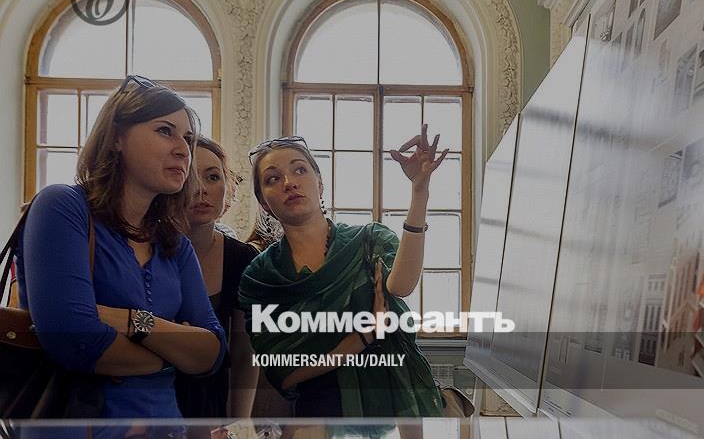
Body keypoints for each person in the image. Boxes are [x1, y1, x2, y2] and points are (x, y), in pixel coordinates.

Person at [15, 74, 226, 419]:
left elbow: (212, 354)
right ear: (116, 138)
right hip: (81, 425)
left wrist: (131, 321)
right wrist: (175, 353)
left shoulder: (175, 243)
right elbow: (75, 340)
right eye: (165, 131)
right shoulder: (62, 206)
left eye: (188, 138)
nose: (183, 149)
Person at [239, 126, 450, 417]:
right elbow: (283, 374)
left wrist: (419, 192)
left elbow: (401, 286)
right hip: (319, 412)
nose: (289, 183)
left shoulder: (369, 240)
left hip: (394, 404)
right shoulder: (261, 277)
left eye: (299, 170)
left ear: (320, 184)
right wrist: (363, 337)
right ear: (263, 201)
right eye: (273, 178)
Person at [175, 136, 259, 419]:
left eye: (213, 177)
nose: (201, 189)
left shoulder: (242, 258)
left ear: (228, 187)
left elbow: (245, 354)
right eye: (189, 177)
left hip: (210, 409)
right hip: (148, 407)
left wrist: (239, 424)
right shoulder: (143, 250)